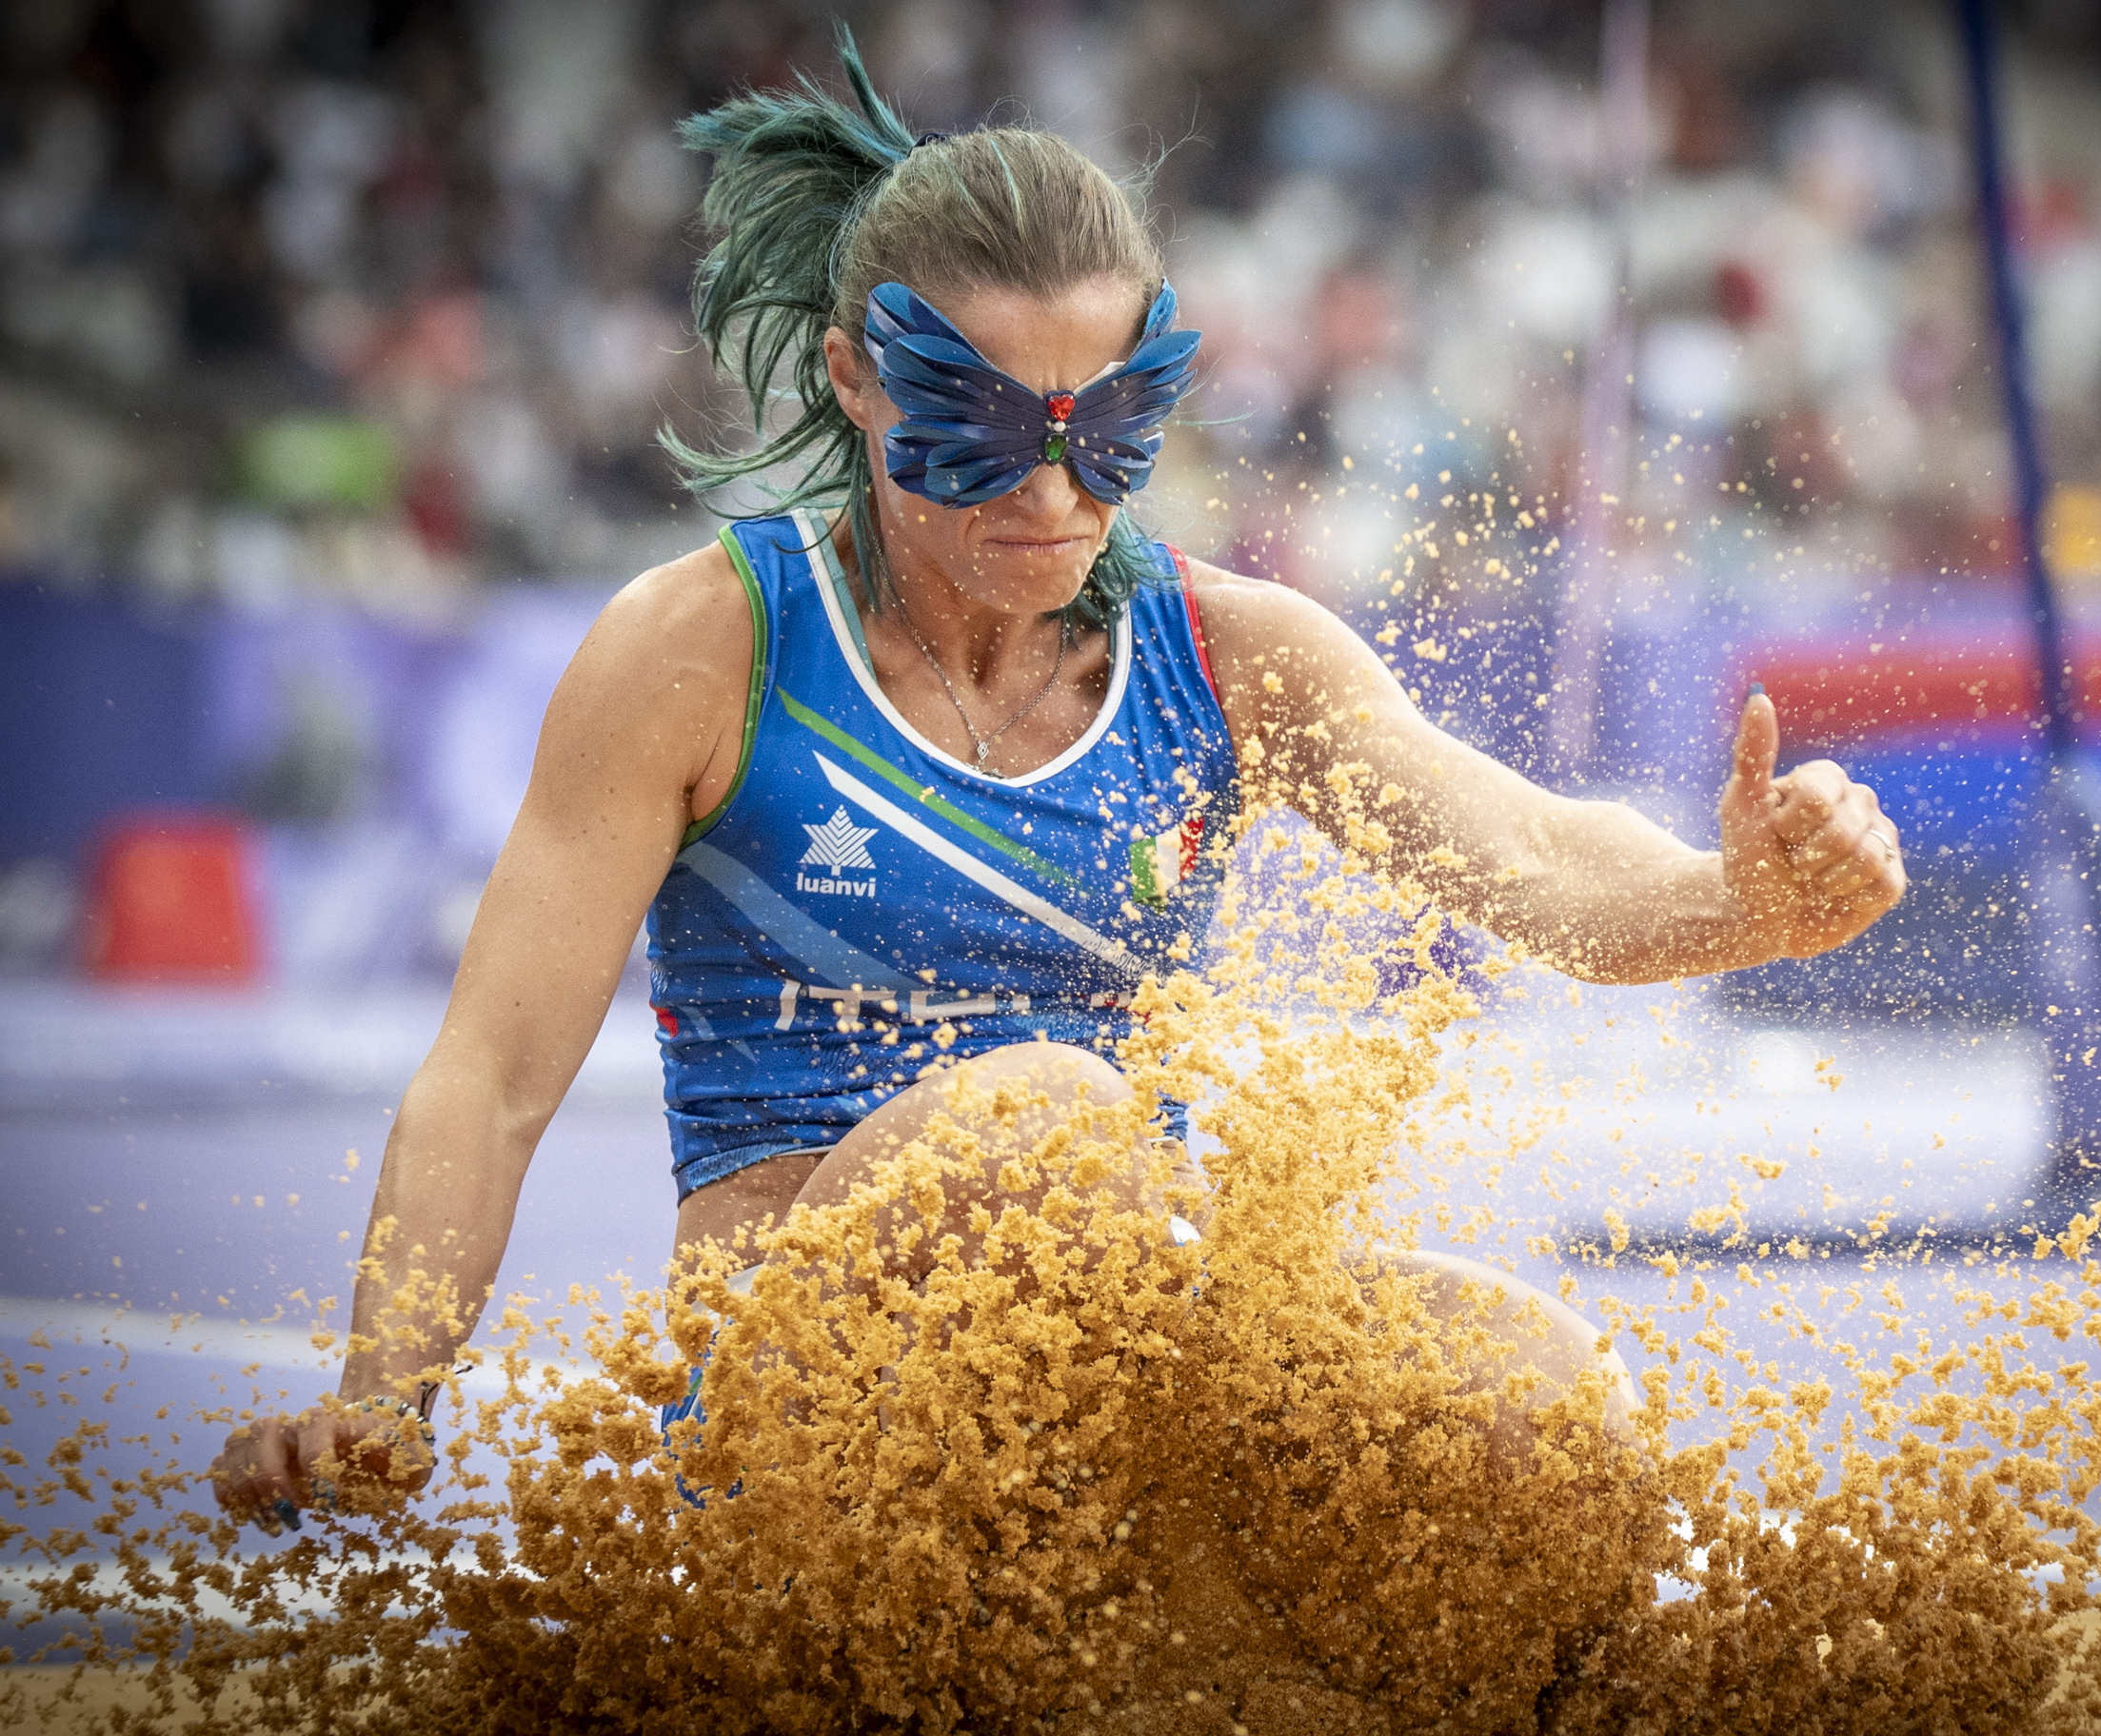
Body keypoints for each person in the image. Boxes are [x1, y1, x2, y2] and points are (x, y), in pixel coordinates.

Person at [210, 32, 1906, 1532]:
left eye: (1100, 434)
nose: (1046, 493)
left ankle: (1176, 1623)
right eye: (975, 423)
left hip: (1123, 1387)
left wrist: (1736, 896)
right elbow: (490, 1078)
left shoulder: (1233, 651)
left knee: (1539, 1419)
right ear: (853, 375)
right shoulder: (700, 648)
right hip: (801, 1415)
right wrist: (380, 1401)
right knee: (1052, 1120)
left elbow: (1538, 859)